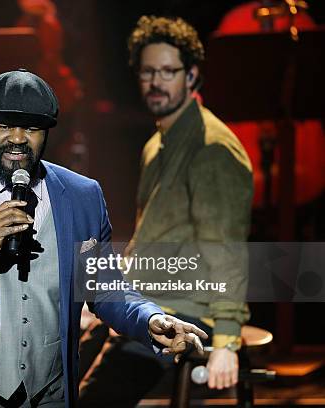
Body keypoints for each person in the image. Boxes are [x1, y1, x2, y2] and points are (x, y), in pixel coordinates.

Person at [0, 69, 208, 407]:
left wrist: (149, 319)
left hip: (47, 395)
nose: (19, 138)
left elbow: (104, 286)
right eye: (5, 125)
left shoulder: (83, 196)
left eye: (32, 128)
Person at [79, 16, 254, 405]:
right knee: (54, 372)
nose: (156, 82)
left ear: (191, 76)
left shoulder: (212, 149)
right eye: (148, 72)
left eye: (169, 71)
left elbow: (227, 251)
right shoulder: (156, 144)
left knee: (93, 400)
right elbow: (148, 241)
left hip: (185, 312)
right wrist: (102, 304)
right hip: (147, 300)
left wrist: (227, 338)